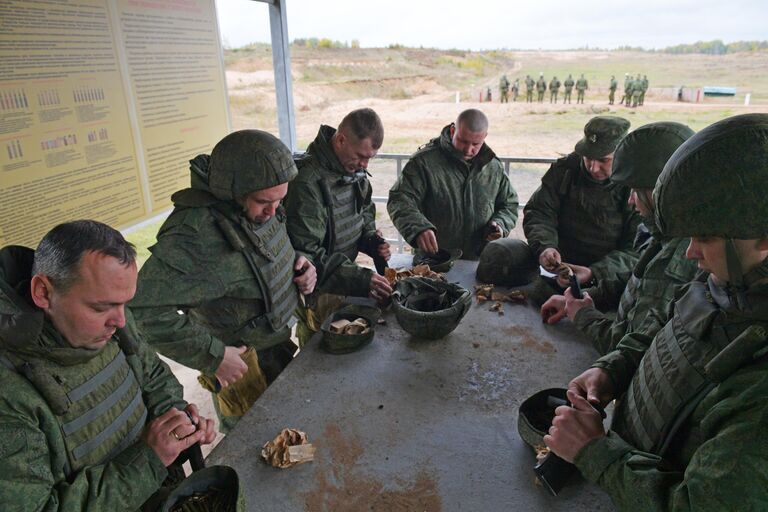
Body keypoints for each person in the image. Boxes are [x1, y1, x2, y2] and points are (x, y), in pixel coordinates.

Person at [545, 113, 768, 511]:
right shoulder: (734, 280)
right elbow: (672, 324)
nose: (690, 252)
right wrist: (613, 368)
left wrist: (594, 453)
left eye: (706, 237)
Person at [0, 220, 218, 510]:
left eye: (124, 303)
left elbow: (152, 375)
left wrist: (177, 422)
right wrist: (148, 460)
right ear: (42, 292)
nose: (121, 321)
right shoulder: (10, 392)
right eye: (100, 308)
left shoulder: (112, 324)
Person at [130, 130, 317, 433]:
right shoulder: (195, 235)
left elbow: (266, 254)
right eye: (263, 202)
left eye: (279, 200)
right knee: (254, 448)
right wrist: (213, 356)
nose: (273, 211)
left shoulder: (255, 211)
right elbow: (140, 311)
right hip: (239, 368)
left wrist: (302, 264)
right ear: (234, 191)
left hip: (276, 347)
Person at [540, 122, 699, 355]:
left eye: (636, 192)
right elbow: (639, 280)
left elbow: (630, 348)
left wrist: (585, 314)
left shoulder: (683, 253)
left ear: (661, 192)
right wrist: (583, 298)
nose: (631, 200)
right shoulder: (667, 232)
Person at [284, 108, 392, 347]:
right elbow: (306, 254)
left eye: (370, 158)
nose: (364, 164)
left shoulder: (353, 169)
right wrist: (361, 278)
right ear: (341, 140)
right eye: (361, 156)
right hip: (318, 291)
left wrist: (372, 242)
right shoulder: (307, 183)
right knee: (318, 355)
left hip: (343, 279)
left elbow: (363, 213)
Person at [520, 116, 640, 300]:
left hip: (609, 280)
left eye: (603, 160)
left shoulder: (636, 185)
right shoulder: (566, 170)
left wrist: (595, 273)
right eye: (588, 157)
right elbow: (539, 212)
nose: (593, 167)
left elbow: (637, 249)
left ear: (622, 153)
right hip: (559, 270)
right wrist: (545, 247)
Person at [388, 108, 519, 261]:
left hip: (480, 264)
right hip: (434, 263)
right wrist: (418, 228)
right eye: (463, 141)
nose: (468, 150)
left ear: (485, 137)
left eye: (476, 144)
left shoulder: (493, 167)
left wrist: (500, 224)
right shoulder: (423, 163)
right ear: (452, 131)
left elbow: (509, 204)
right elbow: (399, 199)